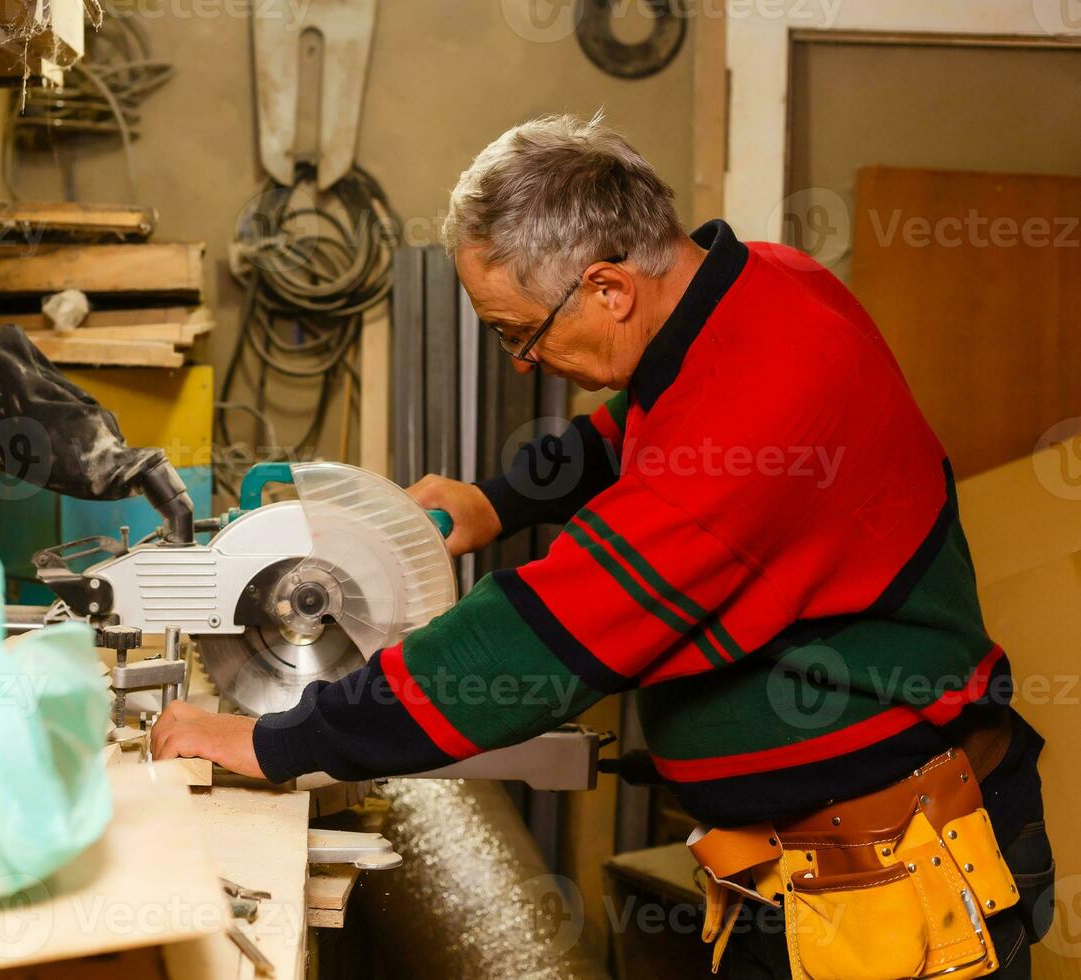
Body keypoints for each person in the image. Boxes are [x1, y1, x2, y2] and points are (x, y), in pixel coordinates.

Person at [152, 113, 1052, 977]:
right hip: (811, 870)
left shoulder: (753, 422)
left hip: (892, 884)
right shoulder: (759, 287)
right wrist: (493, 504)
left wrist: (272, 739)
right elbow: (631, 429)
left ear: (609, 287)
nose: (518, 363)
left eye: (520, 333)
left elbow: (536, 642)